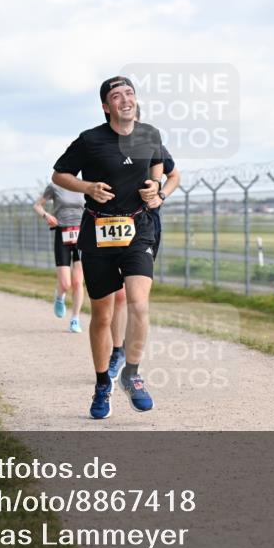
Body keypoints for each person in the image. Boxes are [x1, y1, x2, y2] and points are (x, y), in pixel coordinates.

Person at [51, 75, 164, 419]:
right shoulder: (90, 140)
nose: (125, 99)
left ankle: (132, 373)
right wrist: (87, 187)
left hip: (138, 229)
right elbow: (59, 174)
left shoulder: (149, 134)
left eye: (129, 93)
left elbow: (158, 163)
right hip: (98, 232)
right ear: (106, 106)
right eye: (117, 96)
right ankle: (102, 383)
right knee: (102, 315)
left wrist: (155, 186)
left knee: (138, 304)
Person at [105, 107, 183, 380]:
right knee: (117, 295)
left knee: (135, 296)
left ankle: (130, 358)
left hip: (145, 226)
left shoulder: (151, 142)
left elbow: (174, 176)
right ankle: (117, 351)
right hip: (110, 225)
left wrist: (160, 194)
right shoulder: (105, 146)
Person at [34, 181, 85, 332]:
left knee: (78, 282)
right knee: (65, 283)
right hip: (62, 233)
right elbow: (37, 205)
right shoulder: (54, 186)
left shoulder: (83, 185)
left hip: (81, 234)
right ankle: (59, 296)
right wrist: (46, 215)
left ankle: (75, 319)